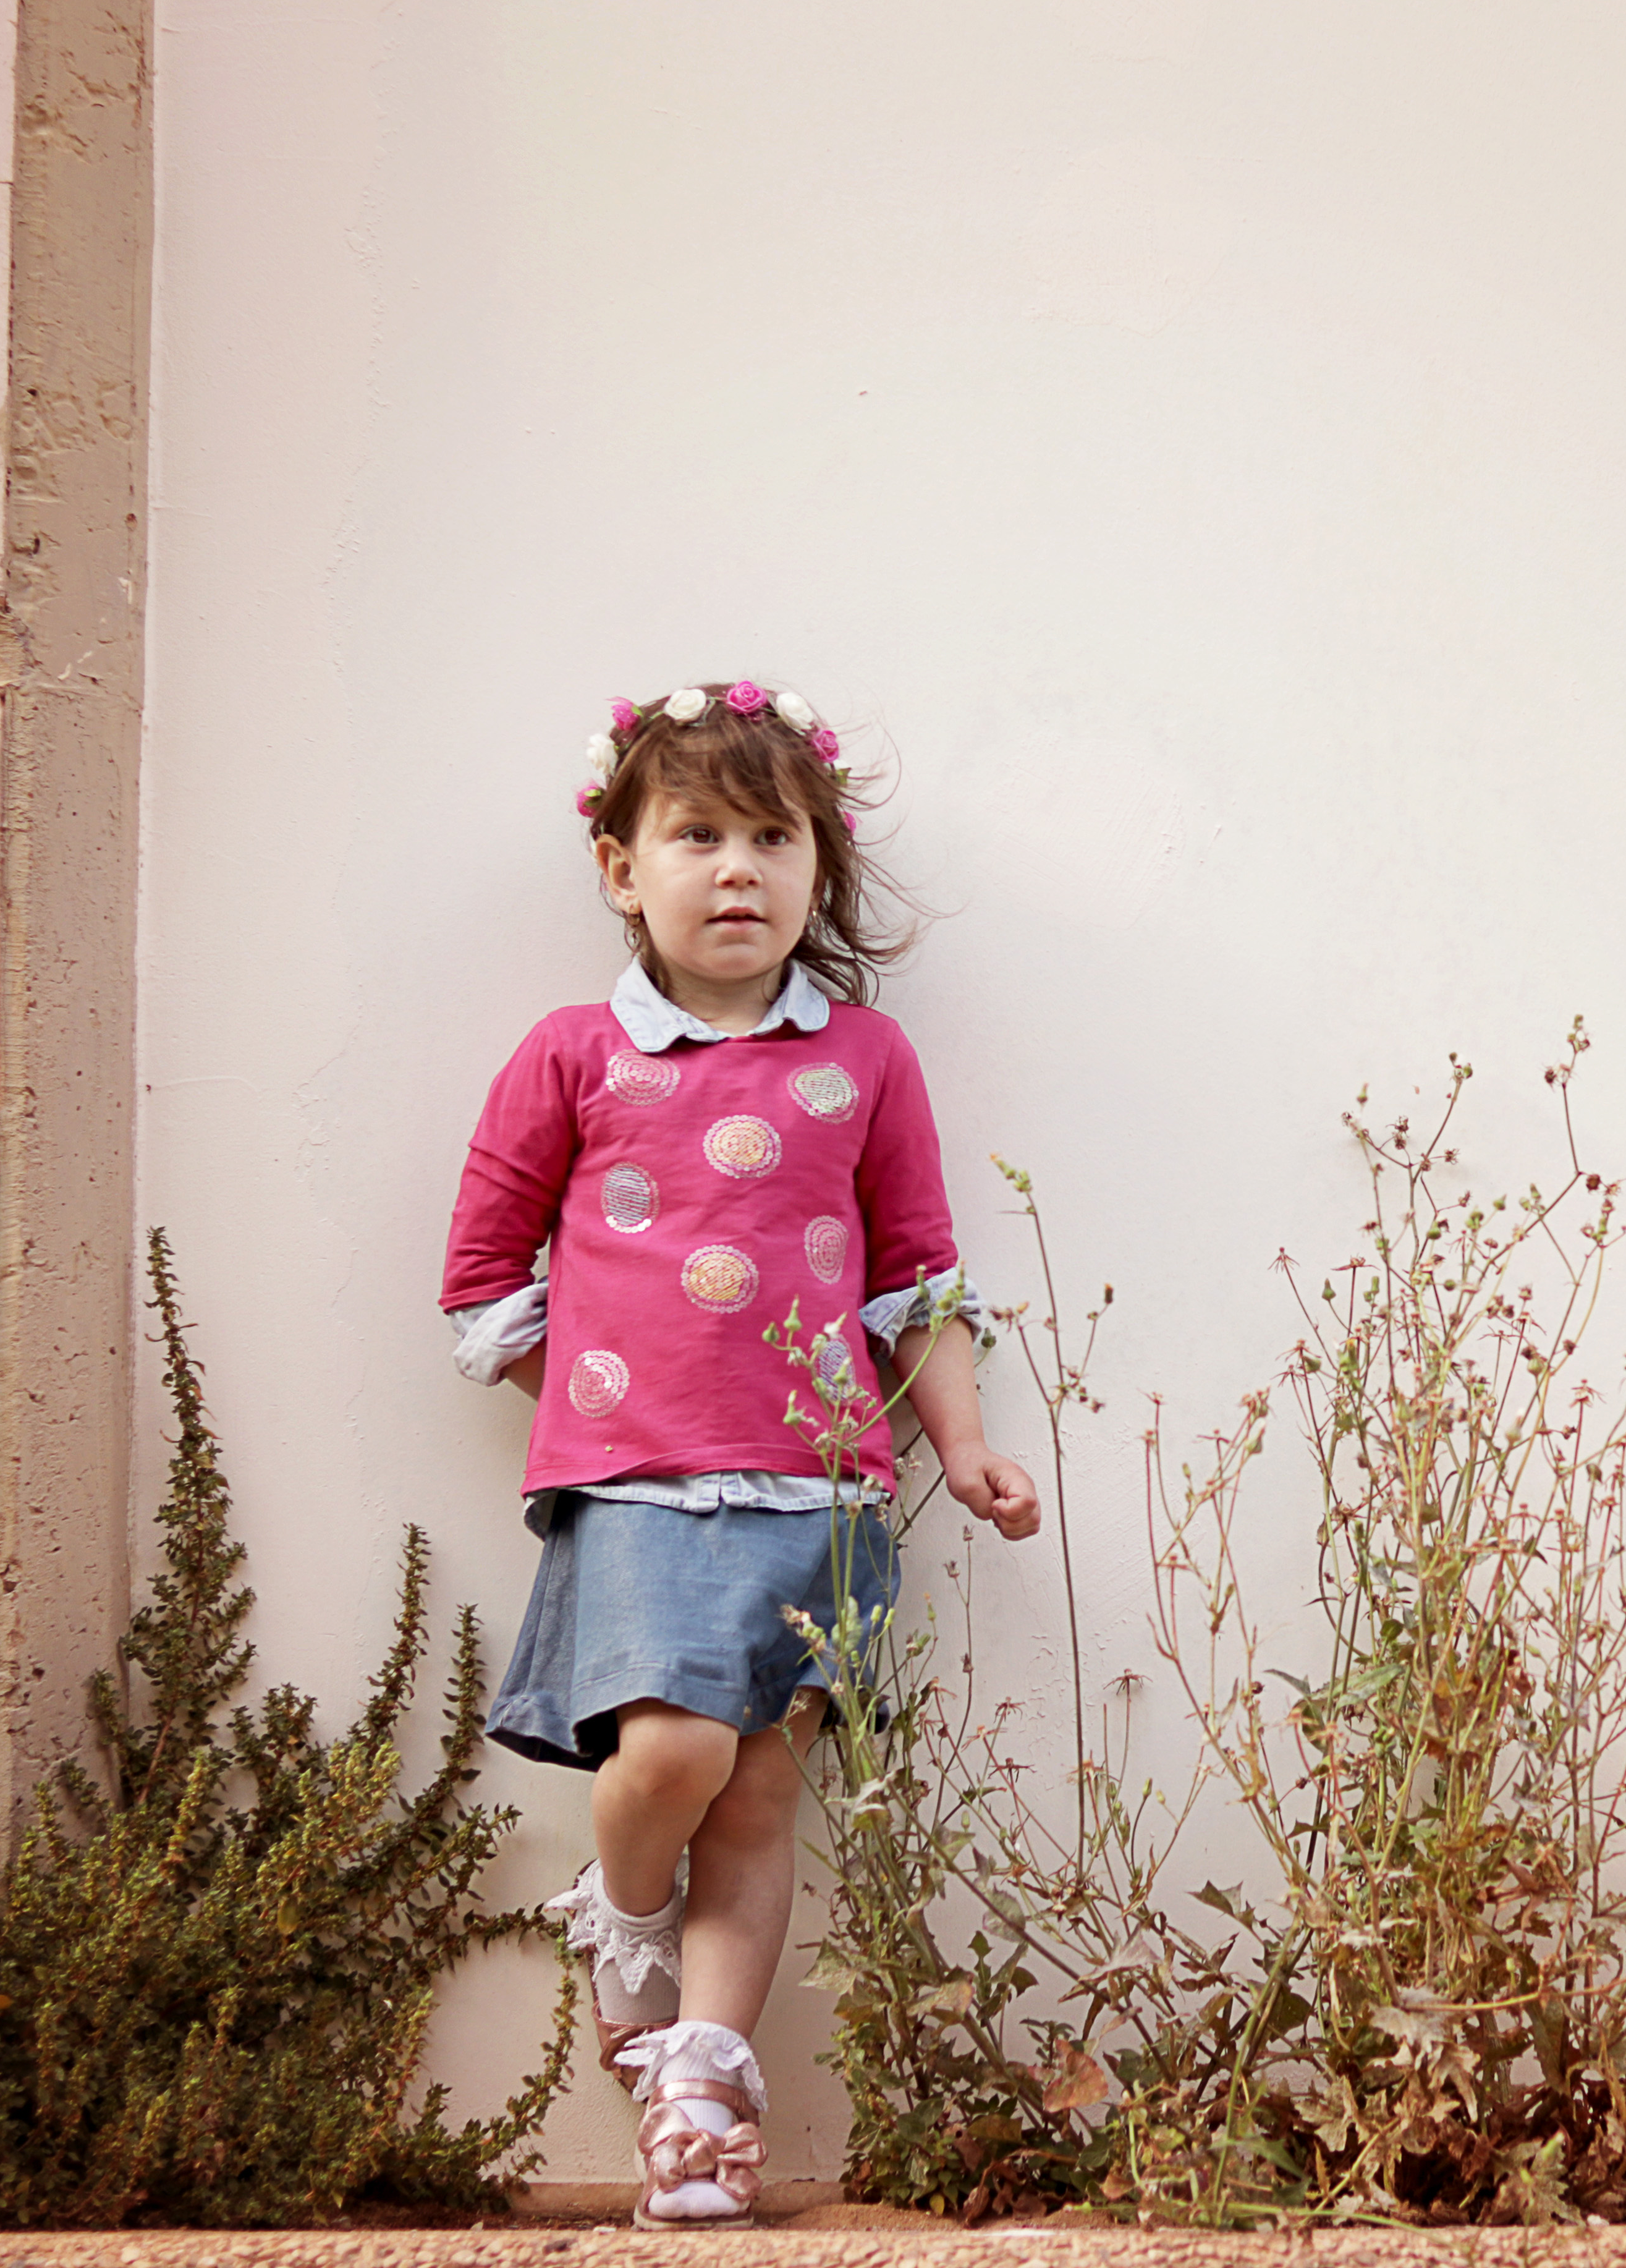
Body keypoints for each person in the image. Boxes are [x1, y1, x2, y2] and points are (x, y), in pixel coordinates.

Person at [441, 679, 1039, 2229]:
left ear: (816, 871)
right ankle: (627, 1906)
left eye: (773, 839)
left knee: (761, 1794)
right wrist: (606, 1401)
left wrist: (964, 1442)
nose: (736, 870)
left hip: (821, 1490)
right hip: (640, 1490)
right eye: (696, 834)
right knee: (673, 1756)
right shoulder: (577, 1053)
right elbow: (483, 1279)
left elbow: (917, 1277)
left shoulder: (866, 1059)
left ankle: (699, 2097)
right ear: (620, 867)